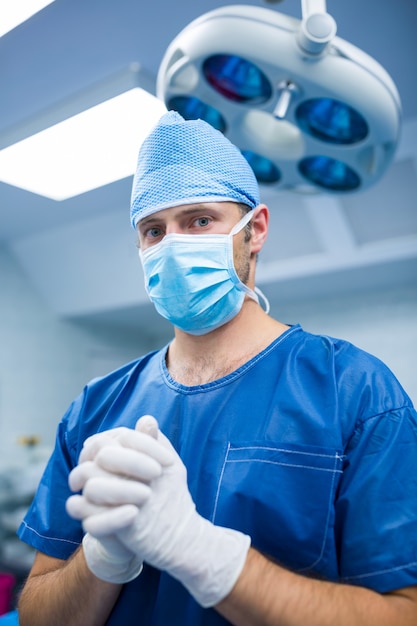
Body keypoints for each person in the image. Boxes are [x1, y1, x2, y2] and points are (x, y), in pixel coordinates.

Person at [17, 111, 417, 626]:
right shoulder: (95, 408)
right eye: (153, 230)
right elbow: (36, 617)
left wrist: (206, 555)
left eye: (199, 221)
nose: (174, 246)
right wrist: (102, 558)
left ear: (256, 231)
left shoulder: (356, 393)